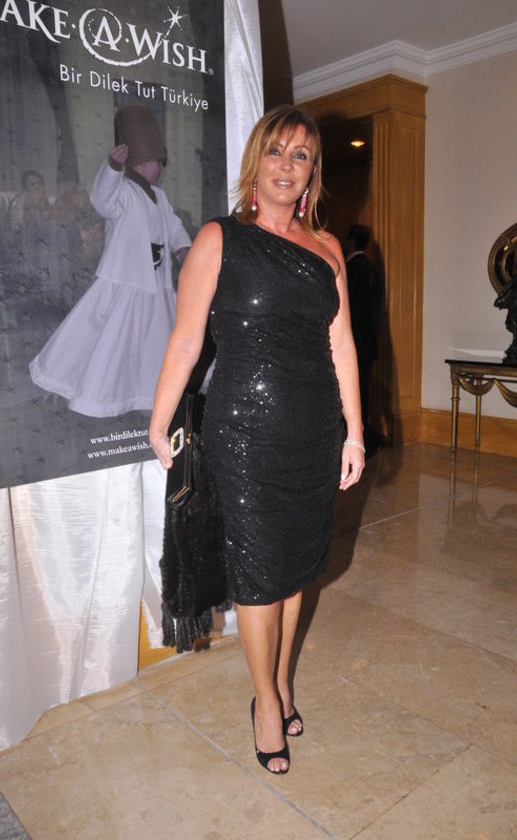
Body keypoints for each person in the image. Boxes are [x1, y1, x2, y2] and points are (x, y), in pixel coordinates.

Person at [149, 105, 364, 774]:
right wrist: (159, 419)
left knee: (297, 569)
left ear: (312, 173)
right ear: (256, 161)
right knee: (258, 572)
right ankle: (265, 701)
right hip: (242, 433)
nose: (286, 166)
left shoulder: (328, 249)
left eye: (301, 156)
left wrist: (354, 432)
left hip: (313, 431)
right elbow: (187, 339)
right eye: (276, 151)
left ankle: (282, 681)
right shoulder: (221, 238)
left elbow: (342, 346)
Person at [29, 104, 191, 417]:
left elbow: (173, 225)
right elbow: (101, 200)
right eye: (156, 162)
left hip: (155, 283)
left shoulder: (160, 197)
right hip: (125, 279)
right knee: (102, 335)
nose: (159, 168)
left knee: (153, 343)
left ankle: (146, 395)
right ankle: (70, 382)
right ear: (142, 163)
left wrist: (182, 247)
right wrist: (112, 168)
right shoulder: (123, 192)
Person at [344, 224, 383, 456]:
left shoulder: (350, 269)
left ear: (350, 242)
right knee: (363, 389)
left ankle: (364, 437)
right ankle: (366, 436)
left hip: (354, 343)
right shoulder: (370, 268)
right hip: (368, 342)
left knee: (354, 390)